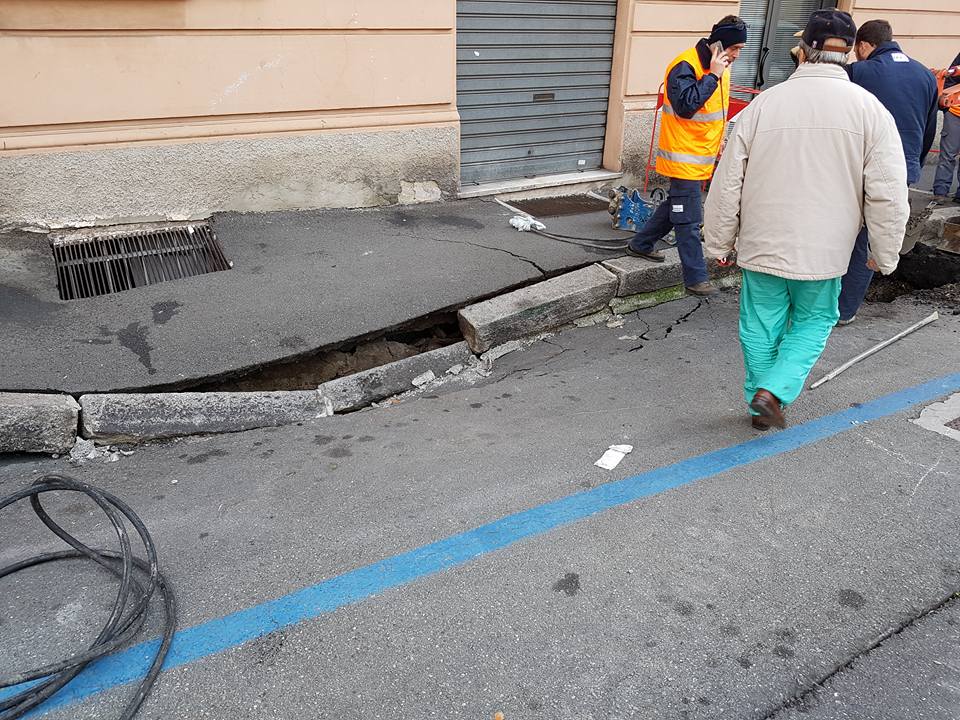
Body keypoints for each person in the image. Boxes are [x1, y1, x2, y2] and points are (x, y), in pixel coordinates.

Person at [703, 10, 908, 431]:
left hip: (761, 241)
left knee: (761, 321)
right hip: (825, 250)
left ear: (804, 50)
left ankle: (760, 394)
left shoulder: (764, 104)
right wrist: (884, 254)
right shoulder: (870, 111)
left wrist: (718, 242)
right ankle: (774, 392)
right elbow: (888, 193)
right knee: (815, 320)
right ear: (850, 53)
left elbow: (727, 182)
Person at [626, 16, 748, 297]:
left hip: (699, 157)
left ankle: (641, 244)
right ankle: (696, 277)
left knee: (676, 207)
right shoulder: (687, 65)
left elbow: (712, 115)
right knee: (689, 218)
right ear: (719, 43)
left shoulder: (720, 67)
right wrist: (712, 76)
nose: (738, 55)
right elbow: (685, 107)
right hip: (682, 158)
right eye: (735, 48)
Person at [836, 19, 939, 325]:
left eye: (857, 49)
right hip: (901, 169)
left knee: (844, 234)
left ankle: (824, 304)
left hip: (860, 164)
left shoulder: (859, 72)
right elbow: (929, 130)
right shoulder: (925, 75)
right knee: (873, 235)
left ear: (864, 45)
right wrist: (912, 167)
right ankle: (847, 310)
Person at [932, 49, 960, 204]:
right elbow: (949, 78)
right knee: (948, 154)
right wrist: (947, 106)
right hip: (955, 112)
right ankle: (940, 191)